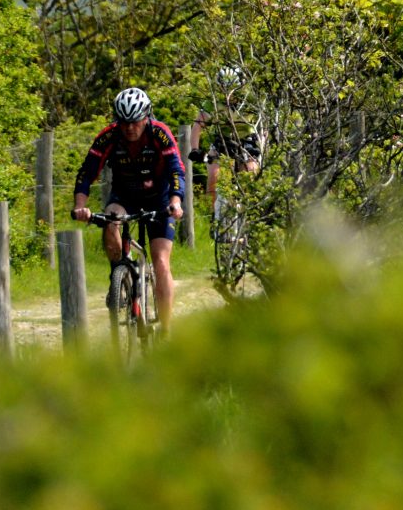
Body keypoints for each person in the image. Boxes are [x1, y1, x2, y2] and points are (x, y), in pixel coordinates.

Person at [71, 87, 186, 327]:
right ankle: (119, 274)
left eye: (135, 122)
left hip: (159, 198)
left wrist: (176, 201)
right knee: (110, 221)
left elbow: (176, 170)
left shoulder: (160, 133)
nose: (129, 128)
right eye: (124, 122)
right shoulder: (109, 136)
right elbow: (87, 172)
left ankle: (166, 329)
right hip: (124, 196)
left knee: (161, 261)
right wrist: (80, 206)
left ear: (146, 117)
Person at [192, 65, 264, 220]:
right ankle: (213, 218)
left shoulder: (251, 101)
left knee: (250, 175)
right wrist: (195, 149)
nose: (227, 93)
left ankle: (248, 218)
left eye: (232, 89)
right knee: (214, 175)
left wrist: (263, 144)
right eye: (223, 88)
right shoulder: (213, 102)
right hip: (223, 139)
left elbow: (265, 124)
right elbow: (198, 125)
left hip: (247, 140)